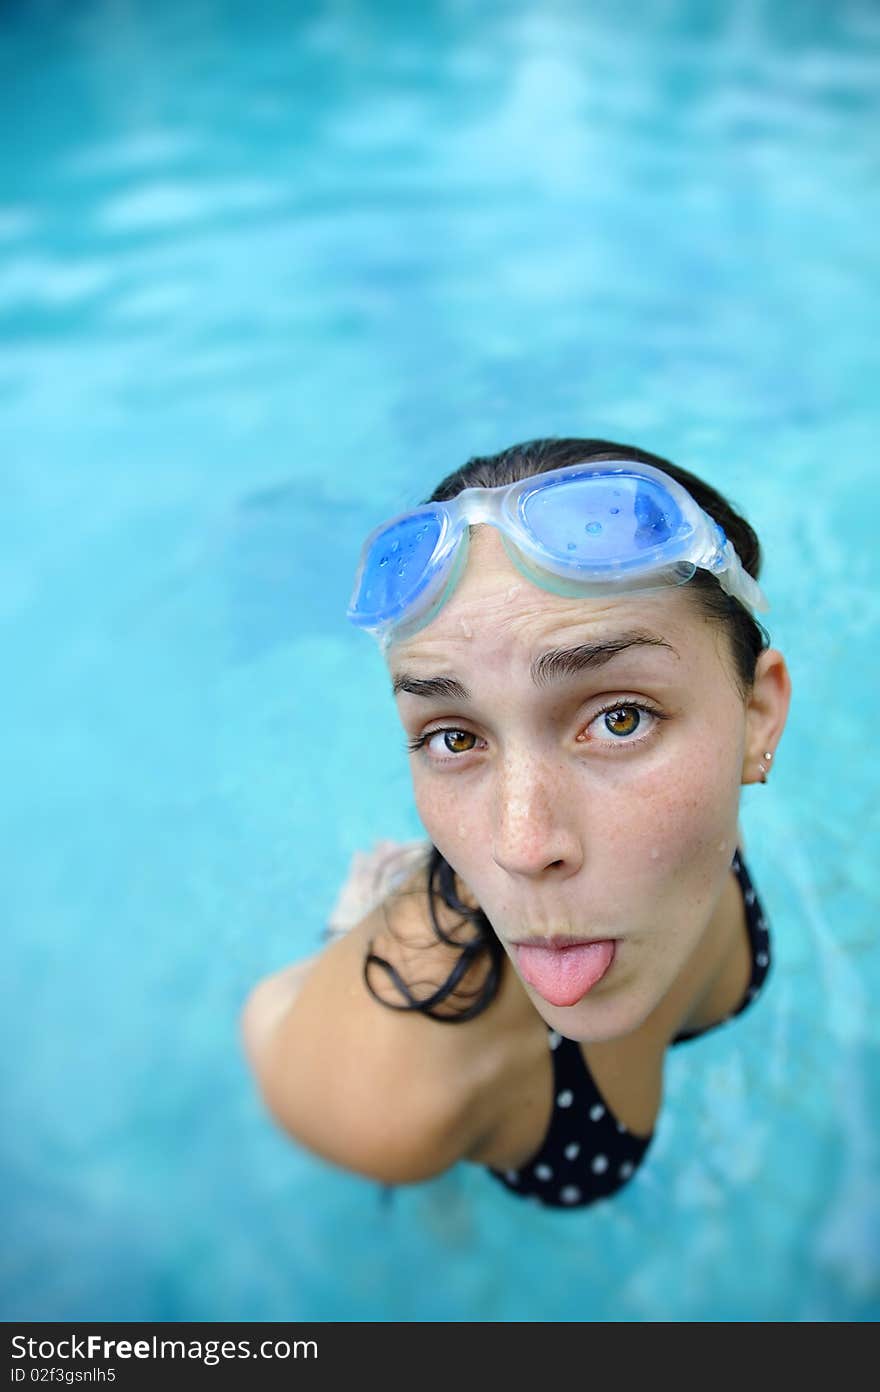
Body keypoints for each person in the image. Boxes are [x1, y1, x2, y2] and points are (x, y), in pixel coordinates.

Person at [240, 437, 792, 1209]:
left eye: (621, 719)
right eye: (453, 737)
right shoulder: (396, 1099)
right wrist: (353, 941)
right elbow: (264, 1019)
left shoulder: (691, 828)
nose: (521, 848)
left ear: (756, 716)